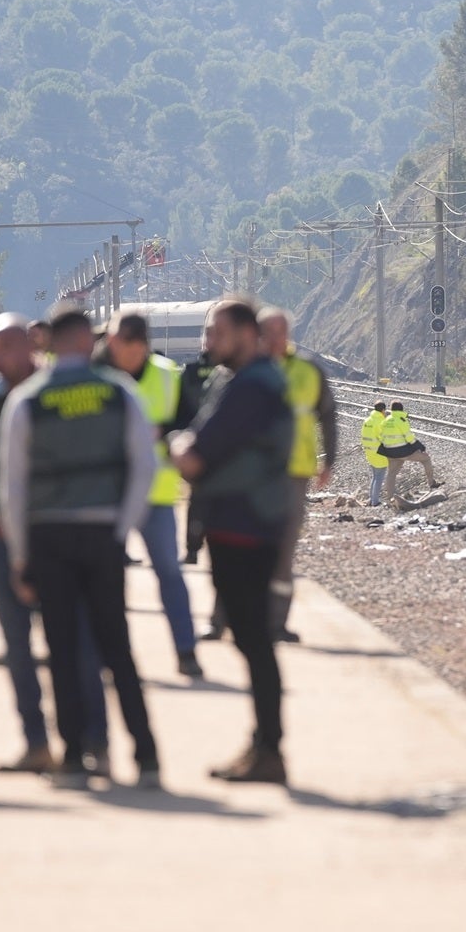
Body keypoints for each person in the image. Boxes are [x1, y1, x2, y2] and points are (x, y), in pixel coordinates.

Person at [0, 307, 159, 788]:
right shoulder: (119, 394)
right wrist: (121, 527)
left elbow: (13, 487)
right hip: (102, 532)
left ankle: (71, 757)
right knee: (118, 650)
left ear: (49, 342)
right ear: (88, 342)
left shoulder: (28, 400)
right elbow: (144, 466)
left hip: (49, 536)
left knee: (61, 649)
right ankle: (146, 757)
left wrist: (22, 555)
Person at [0, 314, 110, 776]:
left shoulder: (52, 390)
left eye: (1, 350)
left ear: (27, 346)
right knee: (18, 647)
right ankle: (37, 743)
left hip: (49, 536)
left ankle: (93, 740)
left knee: (75, 645)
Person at [170, 298, 294, 785]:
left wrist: (179, 445)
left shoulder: (251, 387)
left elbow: (195, 455)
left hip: (246, 525)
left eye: (215, 332)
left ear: (246, 334)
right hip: (240, 522)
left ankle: (269, 751)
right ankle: (262, 745)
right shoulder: (242, 381)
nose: (207, 342)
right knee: (251, 639)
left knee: (254, 640)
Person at [102, 310, 203, 678]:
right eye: (110, 341)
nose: (110, 347)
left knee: (169, 574)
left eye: (118, 342)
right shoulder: (99, 372)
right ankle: (111, 656)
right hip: (108, 495)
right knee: (105, 578)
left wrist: (165, 434)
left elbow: (190, 424)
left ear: (140, 345)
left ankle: (186, 651)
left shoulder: (167, 375)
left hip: (155, 494)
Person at [257, 306, 338, 644]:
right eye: (268, 332)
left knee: (284, 550)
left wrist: (328, 461)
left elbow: (328, 416)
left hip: (295, 473)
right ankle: (222, 619)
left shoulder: (308, 370)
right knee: (243, 547)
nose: (276, 339)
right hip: (252, 474)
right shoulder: (246, 370)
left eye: (281, 332)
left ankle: (276, 623)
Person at [179, 322, 224, 566]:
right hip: (199, 445)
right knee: (198, 501)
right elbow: (181, 409)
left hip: (224, 445)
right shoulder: (191, 371)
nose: (212, 341)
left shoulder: (231, 371)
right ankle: (193, 548)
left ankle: (204, 549)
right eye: (208, 336)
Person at [378, 400, 439, 501]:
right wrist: (421, 447)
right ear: (401, 409)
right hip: (402, 450)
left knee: (391, 473)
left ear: (392, 409)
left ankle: (390, 497)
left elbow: (381, 435)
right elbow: (409, 438)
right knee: (426, 459)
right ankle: (431, 483)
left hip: (389, 451)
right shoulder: (401, 420)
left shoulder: (386, 420)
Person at [359, 401, 390, 506]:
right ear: (383, 410)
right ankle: (375, 502)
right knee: (379, 477)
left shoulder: (367, 420)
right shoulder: (381, 422)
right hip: (379, 452)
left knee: (375, 476)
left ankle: (372, 499)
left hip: (369, 450)